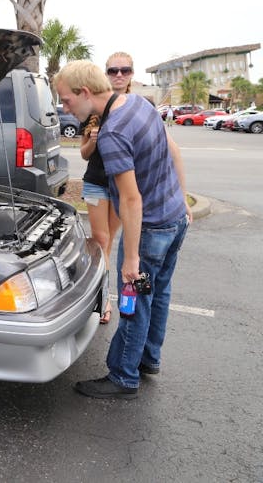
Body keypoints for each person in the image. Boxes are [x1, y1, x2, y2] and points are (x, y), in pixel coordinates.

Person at [54, 60, 191, 400]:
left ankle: (123, 376)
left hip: (151, 230)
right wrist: (182, 201)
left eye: (67, 100)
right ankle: (148, 359)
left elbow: (130, 201)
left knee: (133, 300)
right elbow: (171, 152)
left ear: (85, 92)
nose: (65, 108)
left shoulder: (113, 132)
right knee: (157, 294)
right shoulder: (140, 106)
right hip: (174, 220)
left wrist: (130, 259)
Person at [79, 51, 135, 324]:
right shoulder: (92, 110)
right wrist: (92, 139)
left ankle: (106, 294)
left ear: (132, 74)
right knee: (101, 242)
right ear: (106, 74)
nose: (119, 75)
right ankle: (103, 300)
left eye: (125, 70)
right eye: (113, 71)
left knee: (111, 244)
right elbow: (83, 154)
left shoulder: (136, 107)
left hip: (122, 188)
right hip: (97, 184)